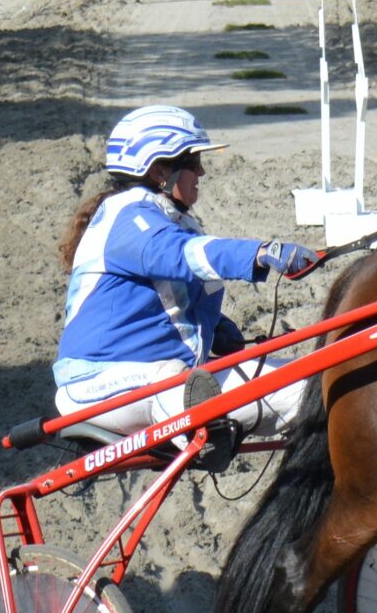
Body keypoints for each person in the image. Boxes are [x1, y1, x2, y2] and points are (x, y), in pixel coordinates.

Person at [48, 107, 320, 445]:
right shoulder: (129, 218)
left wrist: (217, 328)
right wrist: (260, 252)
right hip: (99, 387)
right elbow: (181, 256)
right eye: (192, 162)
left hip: (152, 383)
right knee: (181, 380)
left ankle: (200, 422)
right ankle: (198, 432)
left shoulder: (165, 220)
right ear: (160, 170)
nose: (201, 172)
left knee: (314, 385)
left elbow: (164, 300)